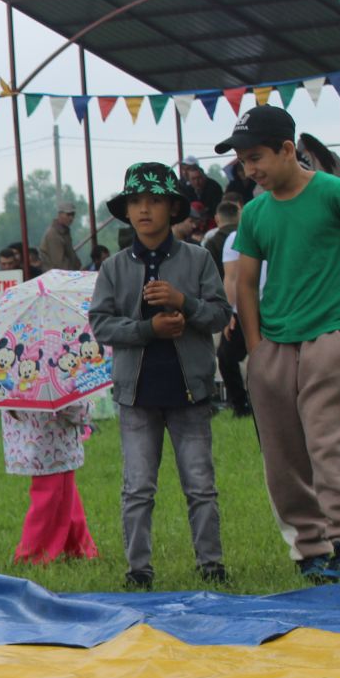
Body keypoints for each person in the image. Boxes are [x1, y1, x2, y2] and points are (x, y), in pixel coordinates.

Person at [224, 106, 340, 582]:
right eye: (243, 162)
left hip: (329, 332)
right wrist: (256, 345)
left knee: (325, 441)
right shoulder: (256, 212)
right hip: (274, 345)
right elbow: (245, 283)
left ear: (287, 149)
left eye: (257, 156)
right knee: (281, 452)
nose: (251, 170)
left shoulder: (333, 192)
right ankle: (309, 547)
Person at [88, 162, 231, 589]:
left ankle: (211, 564)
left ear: (172, 208)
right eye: (135, 201)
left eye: (154, 201)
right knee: (137, 489)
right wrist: (149, 329)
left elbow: (220, 316)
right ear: (126, 212)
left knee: (201, 485)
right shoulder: (114, 267)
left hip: (191, 391)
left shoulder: (198, 258)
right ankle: (138, 570)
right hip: (136, 394)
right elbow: (100, 324)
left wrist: (183, 302)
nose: (144, 209)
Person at [3, 403, 98, 564]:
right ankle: (31, 555)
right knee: (50, 498)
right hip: (53, 445)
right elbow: (70, 405)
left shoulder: (18, 380)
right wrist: (86, 411)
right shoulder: (48, 379)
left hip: (34, 441)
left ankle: (79, 546)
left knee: (66, 496)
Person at [38, 202, 81, 271]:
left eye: (73, 215)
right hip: (56, 277)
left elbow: (72, 256)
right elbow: (59, 263)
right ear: (60, 214)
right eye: (68, 214)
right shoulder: (53, 234)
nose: (71, 218)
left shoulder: (64, 232)